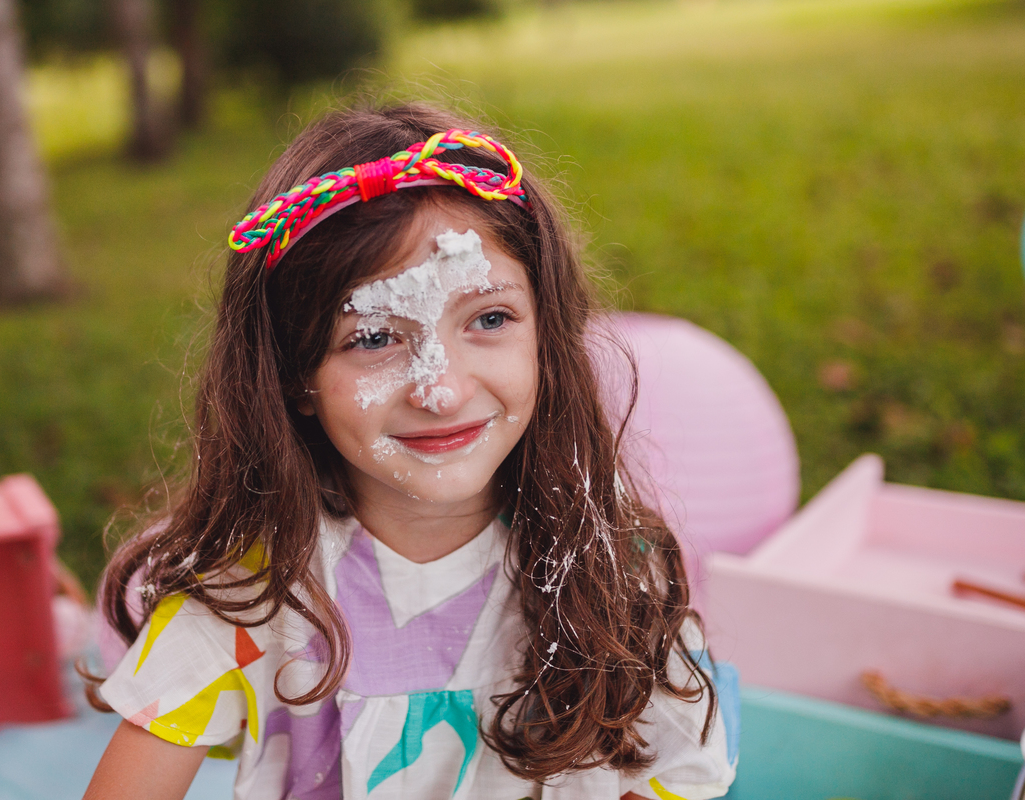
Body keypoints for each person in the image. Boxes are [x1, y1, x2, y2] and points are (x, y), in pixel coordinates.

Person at [82, 102, 736, 800]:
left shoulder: (614, 577)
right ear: (295, 375)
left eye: (488, 319)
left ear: (546, 335)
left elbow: (671, 780)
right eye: (372, 338)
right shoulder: (244, 598)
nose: (442, 390)